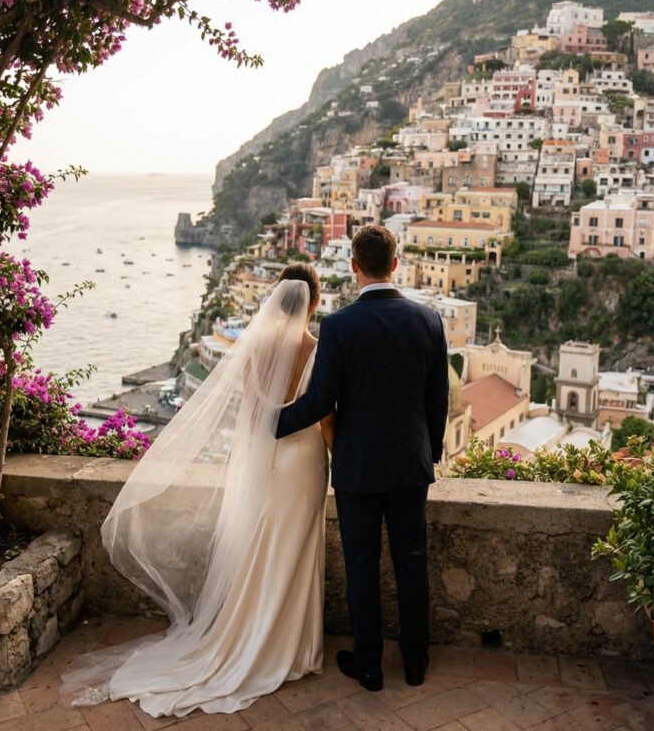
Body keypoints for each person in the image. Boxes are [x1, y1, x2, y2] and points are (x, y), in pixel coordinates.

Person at [61, 265, 332, 718]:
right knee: (296, 550)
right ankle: (293, 646)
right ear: (315, 302)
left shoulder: (255, 349)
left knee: (261, 551)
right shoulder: (318, 352)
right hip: (303, 463)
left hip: (265, 460)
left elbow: (248, 417)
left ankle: (248, 634)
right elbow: (325, 418)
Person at [276, 225, 449, 692]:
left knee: (362, 565)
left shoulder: (339, 326)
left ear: (354, 267)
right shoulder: (430, 320)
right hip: (411, 466)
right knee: (413, 562)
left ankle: (369, 664)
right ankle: (416, 662)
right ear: (396, 263)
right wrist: (427, 454)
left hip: (358, 468)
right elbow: (439, 402)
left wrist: (268, 425)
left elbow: (319, 404)